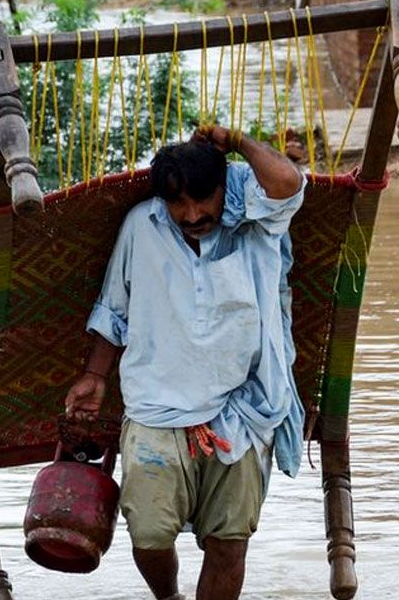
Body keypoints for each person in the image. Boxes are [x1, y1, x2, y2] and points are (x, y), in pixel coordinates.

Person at [64, 125, 306, 600]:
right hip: (156, 407)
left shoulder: (255, 221)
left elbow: (287, 183)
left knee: (229, 545)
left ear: (226, 188)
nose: (192, 215)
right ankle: (169, 596)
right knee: (148, 536)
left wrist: (234, 140)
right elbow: (114, 309)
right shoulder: (141, 225)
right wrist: (95, 375)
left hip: (242, 411)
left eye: (203, 199)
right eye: (178, 204)